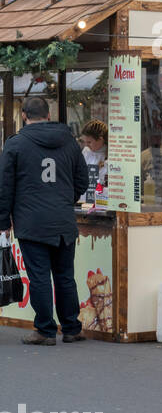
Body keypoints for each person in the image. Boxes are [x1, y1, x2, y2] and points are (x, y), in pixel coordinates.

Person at [0, 98, 89, 345]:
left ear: (25, 116)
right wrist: (64, 199)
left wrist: (2, 221)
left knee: (39, 276)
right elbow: (82, 180)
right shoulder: (70, 142)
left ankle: (45, 330)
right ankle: (72, 327)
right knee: (64, 275)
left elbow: (4, 187)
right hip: (63, 220)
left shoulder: (16, 144)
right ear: (48, 115)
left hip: (31, 222)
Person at [78, 120, 107, 205]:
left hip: (102, 202)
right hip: (84, 202)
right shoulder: (86, 152)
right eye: (85, 142)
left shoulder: (110, 155)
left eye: (89, 142)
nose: (87, 145)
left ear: (100, 139)